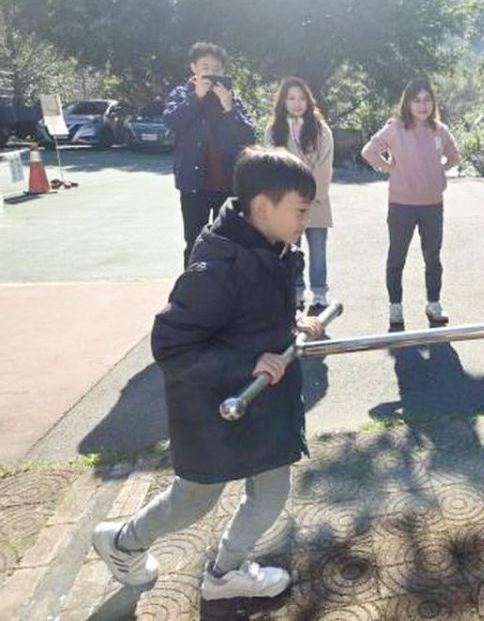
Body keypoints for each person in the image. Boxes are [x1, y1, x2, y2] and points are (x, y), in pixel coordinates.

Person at [92, 147, 324, 600]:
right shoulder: (216, 266)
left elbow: (255, 314)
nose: (305, 221)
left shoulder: (272, 247)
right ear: (263, 207)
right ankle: (122, 541)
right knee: (194, 499)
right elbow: (172, 344)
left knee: (272, 491)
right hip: (213, 407)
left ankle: (224, 573)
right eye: (300, 210)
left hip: (261, 403)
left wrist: (290, 323)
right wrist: (246, 363)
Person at [361, 78, 461, 332]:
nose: (422, 105)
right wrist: (389, 167)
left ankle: (434, 303)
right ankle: (396, 306)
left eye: (427, 100)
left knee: (433, 256)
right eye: (416, 100)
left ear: (433, 103)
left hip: (432, 205)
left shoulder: (440, 130)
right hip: (401, 205)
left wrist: (439, 170)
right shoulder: (395, 127)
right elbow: (369, 151)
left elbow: (454, 156)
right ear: (407, 103)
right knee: (397, 257)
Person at [164, 41, 256, 268]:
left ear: (223, 72)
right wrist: (196, 97)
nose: (211, 72)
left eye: (216, 68)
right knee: (194, 240)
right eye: (205, 67)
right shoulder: (181, 94)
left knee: (227, 241)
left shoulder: (231, 98)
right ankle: (192, 293)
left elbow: (249, 136)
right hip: (194, 183)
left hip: (227, 184)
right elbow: (173, 121)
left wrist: (229, 107)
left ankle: (224, 291)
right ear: (193, 68)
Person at [265, 77, 335, 314]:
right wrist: (286, 197)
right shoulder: (274, 130)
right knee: (289, 248)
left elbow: (325, 165)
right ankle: (294, 290)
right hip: (286, 202)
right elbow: (271, 166)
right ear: (283, 101)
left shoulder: (320, 129)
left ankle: (319, 292)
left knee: (318, 250)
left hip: (316, 201)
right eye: (291, 98)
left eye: (301, 98)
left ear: (309, 100)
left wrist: (311, 192)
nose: (297, 103)